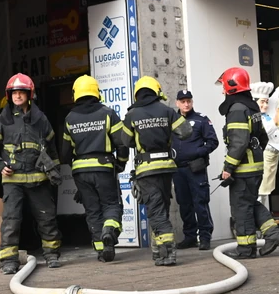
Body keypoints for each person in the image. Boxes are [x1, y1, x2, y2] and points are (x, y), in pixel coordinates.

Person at [0, 73, 63, 274]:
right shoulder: (4, 120)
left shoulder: (41, 119)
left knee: (47, 218)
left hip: (39, 178)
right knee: (11, 220)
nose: (17, 96)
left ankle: (52, 254)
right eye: (14, 92)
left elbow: (52, 149)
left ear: (29, 94)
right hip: (13, 180)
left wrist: (55, 172)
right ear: (9, 95)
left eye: (21, 92)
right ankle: (9, 261)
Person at [116, 76, 193, 266]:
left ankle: (168, 250)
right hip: (166, 167)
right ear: (156, 91)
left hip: (147, 169)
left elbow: (125, 141)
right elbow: (186, 132)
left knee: (155, 211)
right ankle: (159, 252)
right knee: (161, 209)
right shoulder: (167, 111)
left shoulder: (132, 114)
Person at [217, 68, 279, 260]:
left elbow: (238, 142)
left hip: (243, 168)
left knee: (241, 208)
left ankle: (246, 249)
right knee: (249, 203)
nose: (222, 90)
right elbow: (262, 137)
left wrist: (228, 168)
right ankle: (272, 233)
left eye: (224, 86)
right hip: (255, 166)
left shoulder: (237, 109)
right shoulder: (251, 106)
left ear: (231, 87)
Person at [60, 75, 130, 262]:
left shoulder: (69, 118)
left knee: (92, 210)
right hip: (104, 168)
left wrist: (77, 169)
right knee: (111, 205)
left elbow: (65, 153)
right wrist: (121, 162)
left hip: (80, 172)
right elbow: (122, 143)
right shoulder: (107, 113)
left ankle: (101, 249)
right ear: (96, 91)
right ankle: (109, 231)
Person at [172, 89, 219, 251]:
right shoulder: (172, 121)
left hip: (195, 168)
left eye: (189, 101)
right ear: (177, 103)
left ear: (192, 102)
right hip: (178, 169)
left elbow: (213, 142)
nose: (186, 104)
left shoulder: (201, 120)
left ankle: (205, 237)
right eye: (183, 101)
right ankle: (190, 237)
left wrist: (198, 152)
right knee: (184, 204)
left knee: (200, 202)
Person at [250, 82, 279, 209]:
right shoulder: (254, 117)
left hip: (273, 154)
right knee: (260, 190)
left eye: (266, 102)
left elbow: (276, 96)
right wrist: (275, 121)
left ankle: (265, 215)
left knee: (266, 190)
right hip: (263, 156)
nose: (265, 105)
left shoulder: (267, 114)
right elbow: (262, 133)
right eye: (262, 102)